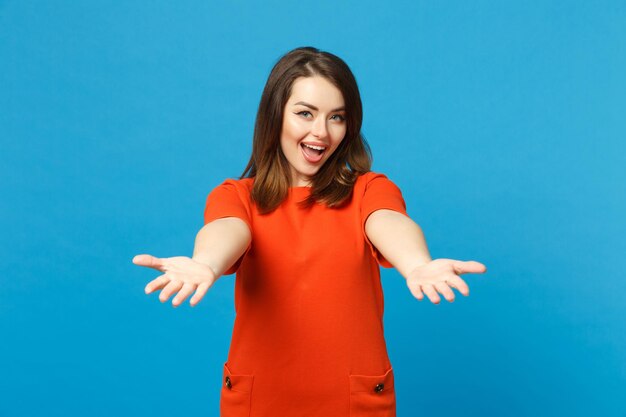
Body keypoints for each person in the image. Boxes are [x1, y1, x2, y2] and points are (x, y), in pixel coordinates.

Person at [133, 46, 487, 417]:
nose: (321, 132)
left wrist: (416, 264)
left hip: (353, 401)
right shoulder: (237, 196)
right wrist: (205, 263)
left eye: (337, 117)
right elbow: (227, 228)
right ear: (275, 117)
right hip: (260, 400)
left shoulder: (369, 189)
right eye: (305, 113)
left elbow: (388, 220)